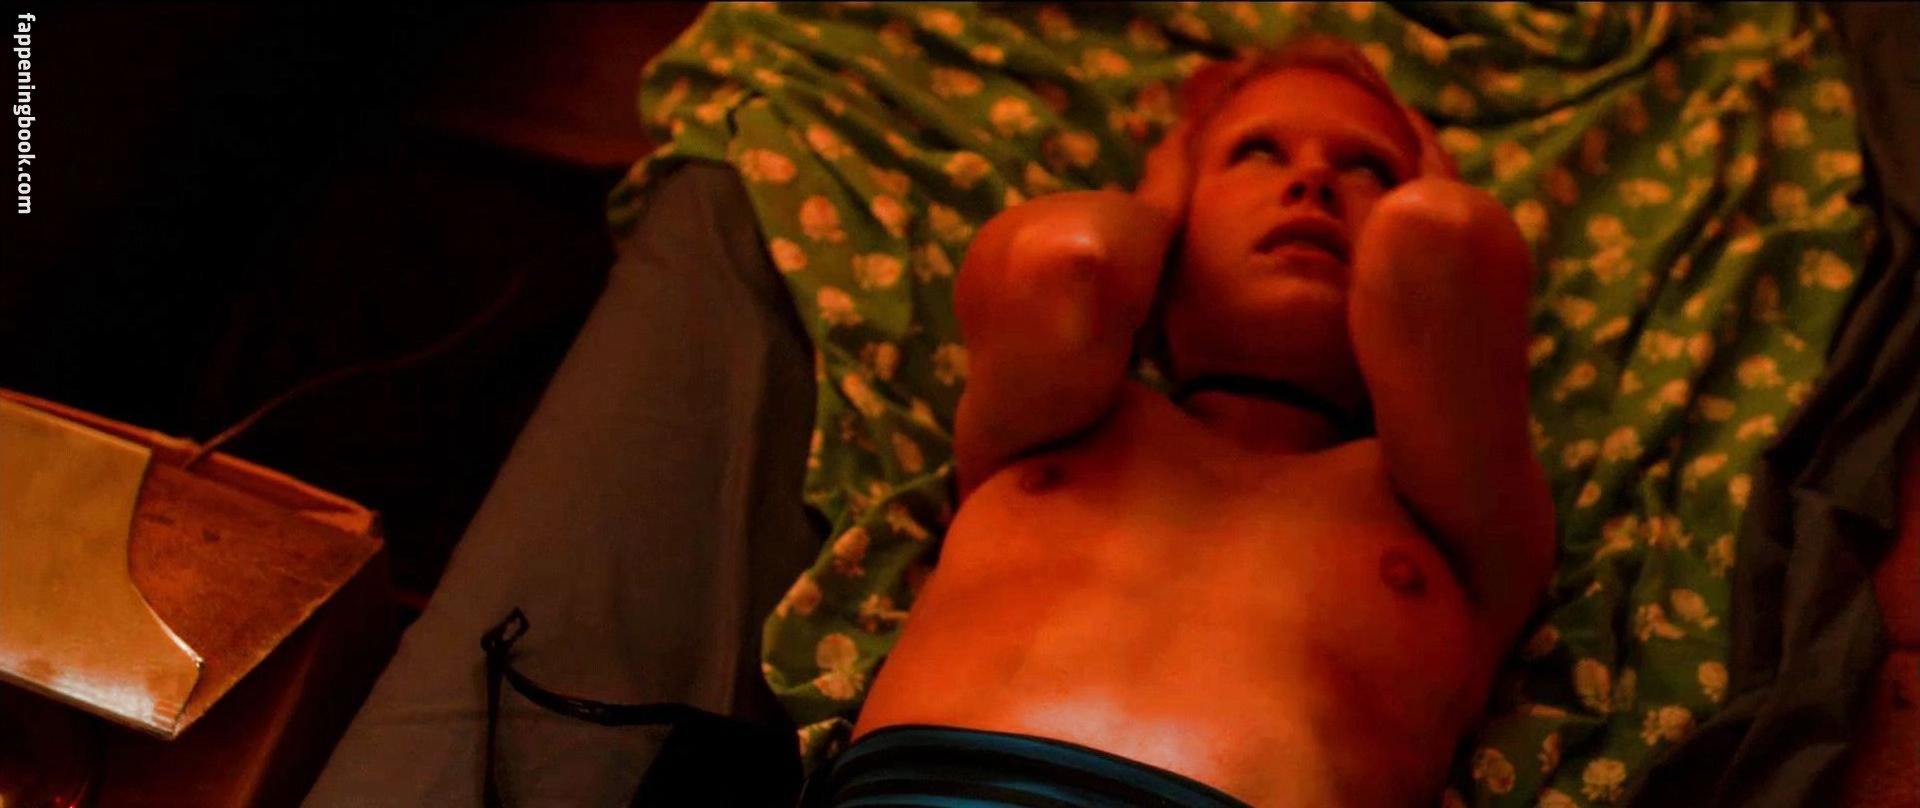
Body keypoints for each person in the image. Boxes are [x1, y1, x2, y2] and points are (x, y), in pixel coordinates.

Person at [824, 36, 1557, 807]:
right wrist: (1163, 189)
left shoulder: (1457, 511)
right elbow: (1070, 259)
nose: (1312, 180)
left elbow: (1443, 238)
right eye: (1258, 153)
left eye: (1367, 169)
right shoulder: (1059, 417)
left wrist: (1429, 172)